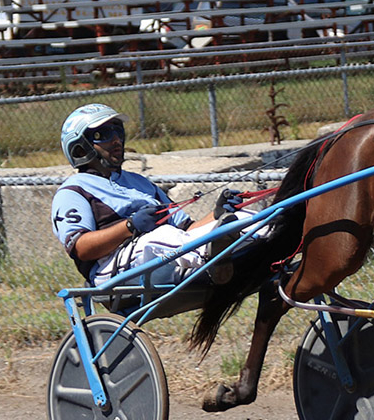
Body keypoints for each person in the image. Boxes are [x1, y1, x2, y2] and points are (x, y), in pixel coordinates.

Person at [51, 103, 240, 288]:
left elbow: (187, 229)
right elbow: (80, 248)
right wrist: (129, 226)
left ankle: (259, 247)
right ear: (80, 148)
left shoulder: (140, 182)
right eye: (103, 135)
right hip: (111, 270)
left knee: (241, 218)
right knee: (161, 235)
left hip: (162, 255)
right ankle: (212, 259)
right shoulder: (72, 191)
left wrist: (216, 214)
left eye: (118, 131)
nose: (116, 140)